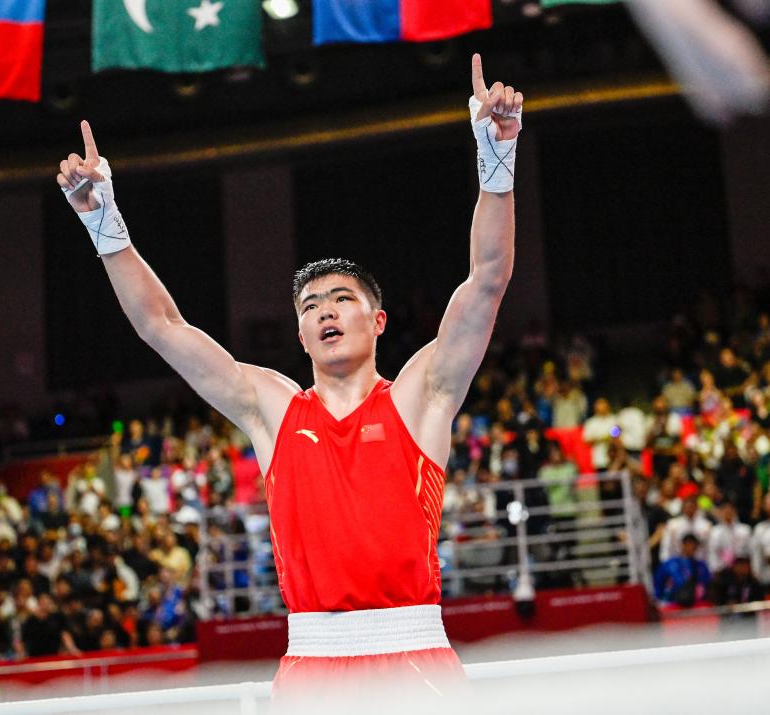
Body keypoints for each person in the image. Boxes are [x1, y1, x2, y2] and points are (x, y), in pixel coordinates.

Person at [56, 54, 521, 703]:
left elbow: (487, 280)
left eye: (341, 299)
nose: (325, 310)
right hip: (311, 664)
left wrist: (495, 158)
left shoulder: (423, 395)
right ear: (300, 336)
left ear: (378, 321)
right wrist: (103, 223)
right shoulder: (270, 407)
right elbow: (161, 326)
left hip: (414, 656)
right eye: (310, 306)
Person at [654, 534, 712, 608]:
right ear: (683, 545)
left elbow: (707, 585)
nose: (692, 548)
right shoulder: (670, 564)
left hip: (696, 605)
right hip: (673, 604)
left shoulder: (701, 566)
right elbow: (659, 583)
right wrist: (661, 599)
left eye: (695, 546)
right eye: (689, 545)